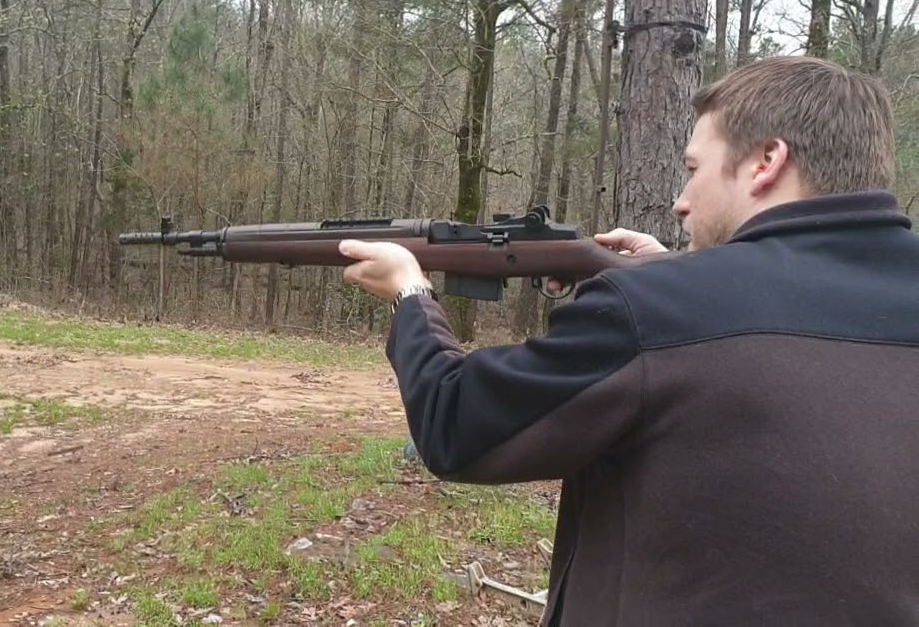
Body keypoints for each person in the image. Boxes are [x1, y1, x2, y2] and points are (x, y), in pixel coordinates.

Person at [338, 55, 919, 626]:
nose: (682, 200)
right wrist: (669, 272)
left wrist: (410, 294)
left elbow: (456, 425)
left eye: (695, 169)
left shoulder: (656, 310)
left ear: (766, 161)